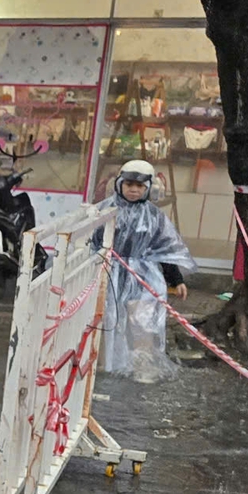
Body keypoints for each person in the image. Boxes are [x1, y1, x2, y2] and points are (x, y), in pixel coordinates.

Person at [95, 160, 196, 382]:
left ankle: (141, 363)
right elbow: (90, 242)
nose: (134, 189)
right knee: (108, 318)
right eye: (129, 184)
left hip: (143, 275)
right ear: (119, 183)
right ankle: (105, 363)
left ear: (150, 188)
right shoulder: (104, 211)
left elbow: (164, 250)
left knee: (144, 321)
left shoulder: (154, 217)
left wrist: (176, 279)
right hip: (109, 273)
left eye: (140, 186)